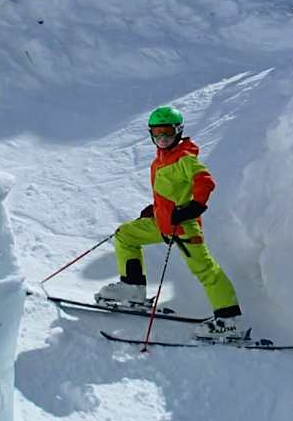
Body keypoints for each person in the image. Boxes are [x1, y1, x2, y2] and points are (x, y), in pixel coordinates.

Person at [96, 106, 246, 341]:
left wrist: (194, 207)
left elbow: (204, 181)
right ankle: (132, 289)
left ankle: (228, 322)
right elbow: (171, 191)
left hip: (183, 226)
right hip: (162, 223)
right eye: (157, 133)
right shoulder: (162, 159)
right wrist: (155, 209)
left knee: (206, 270)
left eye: (167, 132)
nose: (162, 138)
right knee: (125, 235)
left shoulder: (184, 157)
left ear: (178, 131)